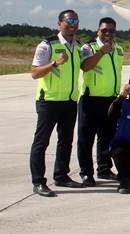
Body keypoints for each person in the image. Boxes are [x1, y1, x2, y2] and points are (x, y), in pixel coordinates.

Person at [30, 10, 84, 196]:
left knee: (66, 141)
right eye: (69, 20)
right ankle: (38, 182)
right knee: (41, 142)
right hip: (49, 100)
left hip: (69, 101)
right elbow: (35, 72)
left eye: (75, 20)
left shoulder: (77, 45)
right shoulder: (47, 45)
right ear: (59, 23)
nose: (73, 24)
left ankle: (61, 176)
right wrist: (55, 63)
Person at [77, 17, 123, 187]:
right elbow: (85, 66)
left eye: (111, 31)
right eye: (104, 30)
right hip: (91, 99)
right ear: (98, 31)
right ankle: (86, 173)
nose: (108, 34)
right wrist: (102, 52)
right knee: (86, 139)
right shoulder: (88, 47)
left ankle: (104, 168)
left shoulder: (118, 49)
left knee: (107, 137)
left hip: (110, 99)